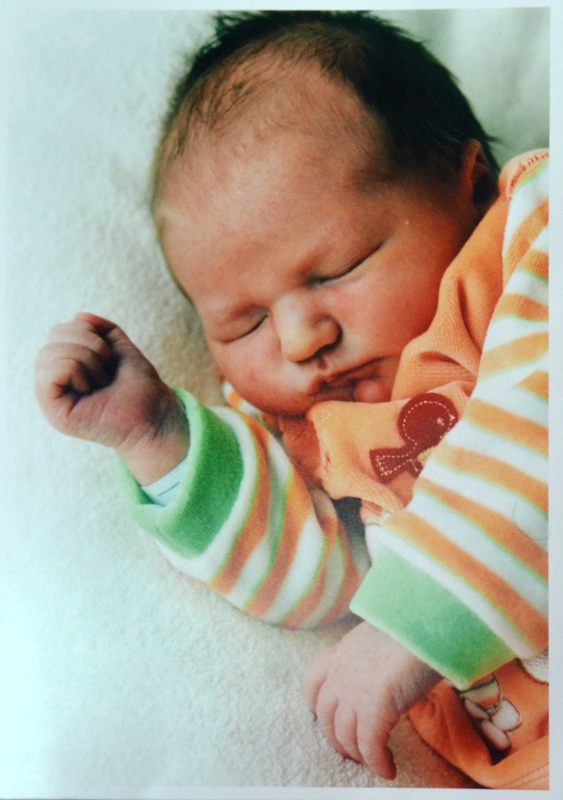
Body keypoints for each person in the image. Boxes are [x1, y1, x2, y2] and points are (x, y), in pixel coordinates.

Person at [34, 11, 548, 789]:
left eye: (335, 269)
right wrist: (158, 435)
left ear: (470, 184)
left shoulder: (530, 237)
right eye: (246, 323)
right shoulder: (312, 426)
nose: (302, 337)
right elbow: (322, 581)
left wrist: (408, 630)